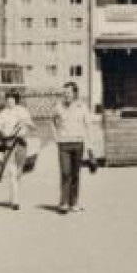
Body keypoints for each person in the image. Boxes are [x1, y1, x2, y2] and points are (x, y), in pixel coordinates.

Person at [52, 80, 95, 213]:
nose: (66, 95)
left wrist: (90, 148)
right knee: (65, 173)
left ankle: (74, 202)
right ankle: (63, 203)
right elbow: (52, 122)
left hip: (78, 143)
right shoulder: (58, 107)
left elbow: (88, 127)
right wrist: (56, 137)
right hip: (63, 144)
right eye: (64, 93)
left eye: (68, 92)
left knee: (75, 174)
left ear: (75, 93)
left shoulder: (82, 107)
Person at [0, 90, 34, 210]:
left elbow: (32, 126)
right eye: (8, 99)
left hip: (21, 143)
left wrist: (26, 123)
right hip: (8, 144)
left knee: (19, 171)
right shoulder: (3, 113)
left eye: (12, 99)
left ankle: (14, 195)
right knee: (11, 171)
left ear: (16, 99)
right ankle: (15, 201)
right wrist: (1, 131)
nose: (10, 101)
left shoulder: (23, 111)